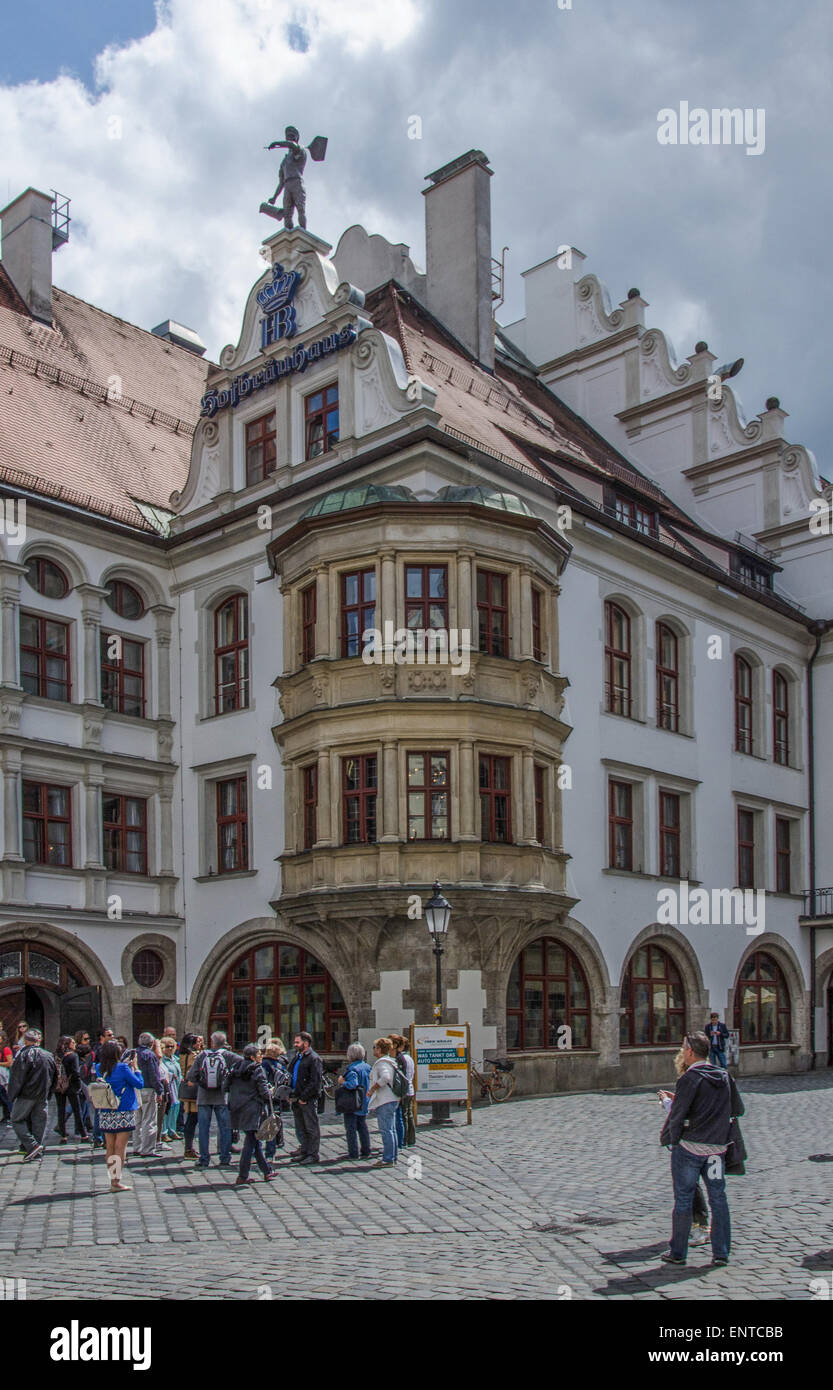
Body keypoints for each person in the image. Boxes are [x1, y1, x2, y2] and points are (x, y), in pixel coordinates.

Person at [660, 1031, 745, 1267]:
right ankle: (721, 1253)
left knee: (684, 1199)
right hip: (716, 1150)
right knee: (718, 1199)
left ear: (689, 1051)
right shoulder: (724, 1076)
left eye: (683, 1047)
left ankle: (678, 1252)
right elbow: (737, 1108)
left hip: (689, 1149)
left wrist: (673, 1138)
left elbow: (678, 1116)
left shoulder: (688, 1078)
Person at [658, 1047, 709, 1247]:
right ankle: (701, 1228)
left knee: (687, 1187)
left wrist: (667, 1103)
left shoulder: (689, 1079)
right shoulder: (714, 1076)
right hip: (712, 1141)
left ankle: (697, 1230)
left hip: (690, 1142)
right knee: (701, 1187)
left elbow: (683, 1114)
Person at [95, 1041, 144, 1192]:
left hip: (106, 1109)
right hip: (123, 1109)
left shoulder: (99, 1068)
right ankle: (116, 1181)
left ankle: (112, 1178)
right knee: (120, 1147)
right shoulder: (123, 1068)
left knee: (109, 1146)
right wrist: (135, 1068)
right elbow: (139, 1084)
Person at [227, 1044, 278, 1186]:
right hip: (252, 1109)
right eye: (259, 1054)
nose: (261, 1056)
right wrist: (271, 1092)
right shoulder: (257, 1069)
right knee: (251, 1142)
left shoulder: (236, 1068)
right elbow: (264, 1092)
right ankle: (242, 1175)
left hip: (237, 1108)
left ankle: (267, 1171)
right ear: (252, 1057)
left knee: (254, 1140)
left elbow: (226, 1086)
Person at [187, 1031, 239, 1169]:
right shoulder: (228, 1055)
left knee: (204, 1129)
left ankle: (204, 1159)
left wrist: (200, 1080)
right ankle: (225, 1157)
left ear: (211, 1041)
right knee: (224, 1128)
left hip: (204, 1097)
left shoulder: (203, 1055)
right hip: (222, 1096)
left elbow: (191, 1075)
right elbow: (242, 1063)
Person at [7, 1027, 58, 1161]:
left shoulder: (23, 1055)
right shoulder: (48, 1055)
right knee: (39, 1122)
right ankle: (36, 1151)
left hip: (26, 1094)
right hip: (42, 1094)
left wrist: (11, 1095)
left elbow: (17, 1077)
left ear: (25, 1040)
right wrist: (49, 1092)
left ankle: (32, 1146)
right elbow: (54, 1076)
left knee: (16, 1119)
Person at [289, 1031, 323, 1165]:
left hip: (307, 1099)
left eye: (298, 1042)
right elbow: (291, 1074)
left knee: (311, 1127)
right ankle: (304, 1151)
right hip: (296, 1097)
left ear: (306, 1043)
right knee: (301, 1127)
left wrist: (304, 1097)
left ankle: (313, 1154)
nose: (295, 1044)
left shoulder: (314, 1058)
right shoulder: (298, 1057)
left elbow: (315, 1082)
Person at [367, 1037, 398, 1169]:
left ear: (379, 1049)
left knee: (386, 1130)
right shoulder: (391, 1061)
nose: (373, 1050)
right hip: (391, 1099)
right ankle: (392, 1156)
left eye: (374, 1047)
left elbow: (386, 1077)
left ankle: (388, 1159)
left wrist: (373, 1088)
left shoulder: (381, 1063)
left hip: (385, 1100)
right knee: (391, 1129)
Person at [337, 1042, 371, 1160]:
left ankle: (353, 1152)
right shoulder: (367, 1066)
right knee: (362, 1126)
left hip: (352, 1102)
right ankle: (366, 1150)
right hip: (364, 1100)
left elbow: (353, 1084)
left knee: (351, 1128)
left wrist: (342, 1082)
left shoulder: (352, 1069)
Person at [132, 1032, 163, 1158]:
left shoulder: (133, 1053)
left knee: (137, 1119)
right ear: (151, 1044)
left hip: (135, 1088)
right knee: (149, 1119)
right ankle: (147, 1149)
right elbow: (154, 1075)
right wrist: (159, 1091)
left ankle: (137, 1146)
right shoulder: (150, 1055)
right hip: (148, 1089)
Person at [53, 1035, 90, 1144]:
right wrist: (78, 1087)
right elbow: (75, 1073)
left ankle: (63, 1136)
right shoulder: (73, 1056)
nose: (74, 1044)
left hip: (58, 1086)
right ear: (68, 1044)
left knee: (60, 1110)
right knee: (77, 1110)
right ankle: (84, 1135)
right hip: (71, 1086)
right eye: (72, 1042)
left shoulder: (55, 1055)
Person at [260, 1039, 286, 1159]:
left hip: (263, 1098)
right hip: (276, 1097)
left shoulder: (262, 1064)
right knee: (272, 1124)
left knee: (260, 1125)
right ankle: (271, 1152)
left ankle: (258, 1152)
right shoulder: (280, 1065)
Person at [178, 1033, 202, 1157]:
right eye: (198, 1042)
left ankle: (188, 1147)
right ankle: (188, 1148)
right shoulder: (193, 1056)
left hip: (188, 1089)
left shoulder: (182, 1054)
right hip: (194, 1090)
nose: (200, 1044)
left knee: (190, 1119)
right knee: (192, 1119)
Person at [390, 1034, 416, 1149]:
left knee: (404, 1115)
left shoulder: (401, 1058)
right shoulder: (409, 1058)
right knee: (409, 1115)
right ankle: (411, 1138)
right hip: (410, 1088)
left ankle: (404, 1139)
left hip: (404, 1090)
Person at [159, 1037, 182, 1142]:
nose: (170, 1048)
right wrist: (171, 1075)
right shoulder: (161, 1059)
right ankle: (164, 1132)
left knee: (175, 1109)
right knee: (166, 1110)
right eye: (167, 1046)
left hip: (176, 1088)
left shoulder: (175, 1059)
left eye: (172, 1046)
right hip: (167, 1088)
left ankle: (172, 1130)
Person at [0, 1029, 13, 1123]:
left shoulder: (6, 1049)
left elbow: (10, 1063)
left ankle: (10, 1115)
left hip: (4, 1076)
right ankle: (5, 1115)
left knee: (6, 1097)